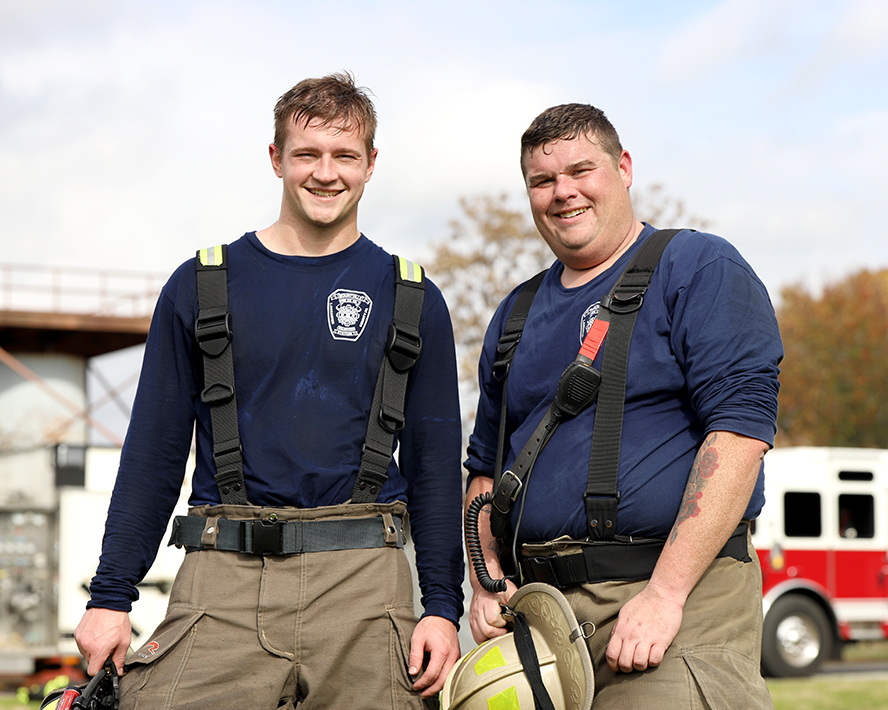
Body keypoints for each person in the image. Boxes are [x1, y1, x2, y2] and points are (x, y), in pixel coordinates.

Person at [74, 72, 464, 710]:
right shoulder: (201, 286)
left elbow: (434, 467)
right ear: (277, 159)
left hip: (366, 585)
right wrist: (111, 595)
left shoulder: (412, 296)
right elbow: (153, 452)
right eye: (307, 154)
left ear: (370, 164)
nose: (325, 173)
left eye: (344, 156)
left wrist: (443, 607)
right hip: (221, 579)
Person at [463, 103, 782, 709]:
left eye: (582, 170)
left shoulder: (698, 268)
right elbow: (485, 466)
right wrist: (487, 580)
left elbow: (739, 435)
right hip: (543, 622)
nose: (563, 193)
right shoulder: (515, 313)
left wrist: (665, 594)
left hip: (677, 602)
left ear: (624, 168)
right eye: (542, 180)